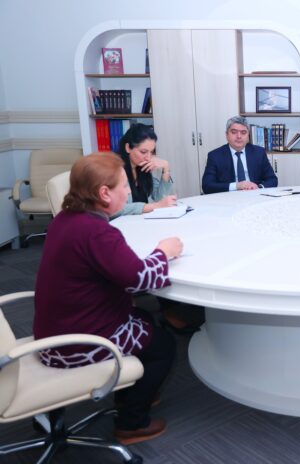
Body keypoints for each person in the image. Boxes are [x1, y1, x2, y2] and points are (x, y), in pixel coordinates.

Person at [33, 153, 183, 444]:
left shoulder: (65, 219)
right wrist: (163, 252)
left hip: (52, 332)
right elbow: (138, 279)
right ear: (104, 193)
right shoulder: (97, 232)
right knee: (164, 346)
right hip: (78, 343)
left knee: (144, 318)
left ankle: (131, 394)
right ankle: (131, 422)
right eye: (123, 186)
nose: (128, 192)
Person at [113, 123, 177, 218]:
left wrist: (166, 168)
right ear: (128, 148)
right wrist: (154, 206)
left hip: (139, 222)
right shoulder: (115, 169)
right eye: (143, 152)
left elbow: (160, 198)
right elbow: (116, 210)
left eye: (151, 152)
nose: (148, 157)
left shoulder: (142, 167)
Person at [202, 116, 278, 193]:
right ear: (227, 135)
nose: (239, 136)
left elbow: (272, 179)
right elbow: (207, 186)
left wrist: (258, 188)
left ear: (248, 136)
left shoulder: (259, 153)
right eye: (234, 132)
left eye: (243, 132)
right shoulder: (215, 156)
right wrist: (237, 186)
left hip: (254, 195)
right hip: (228, 197)